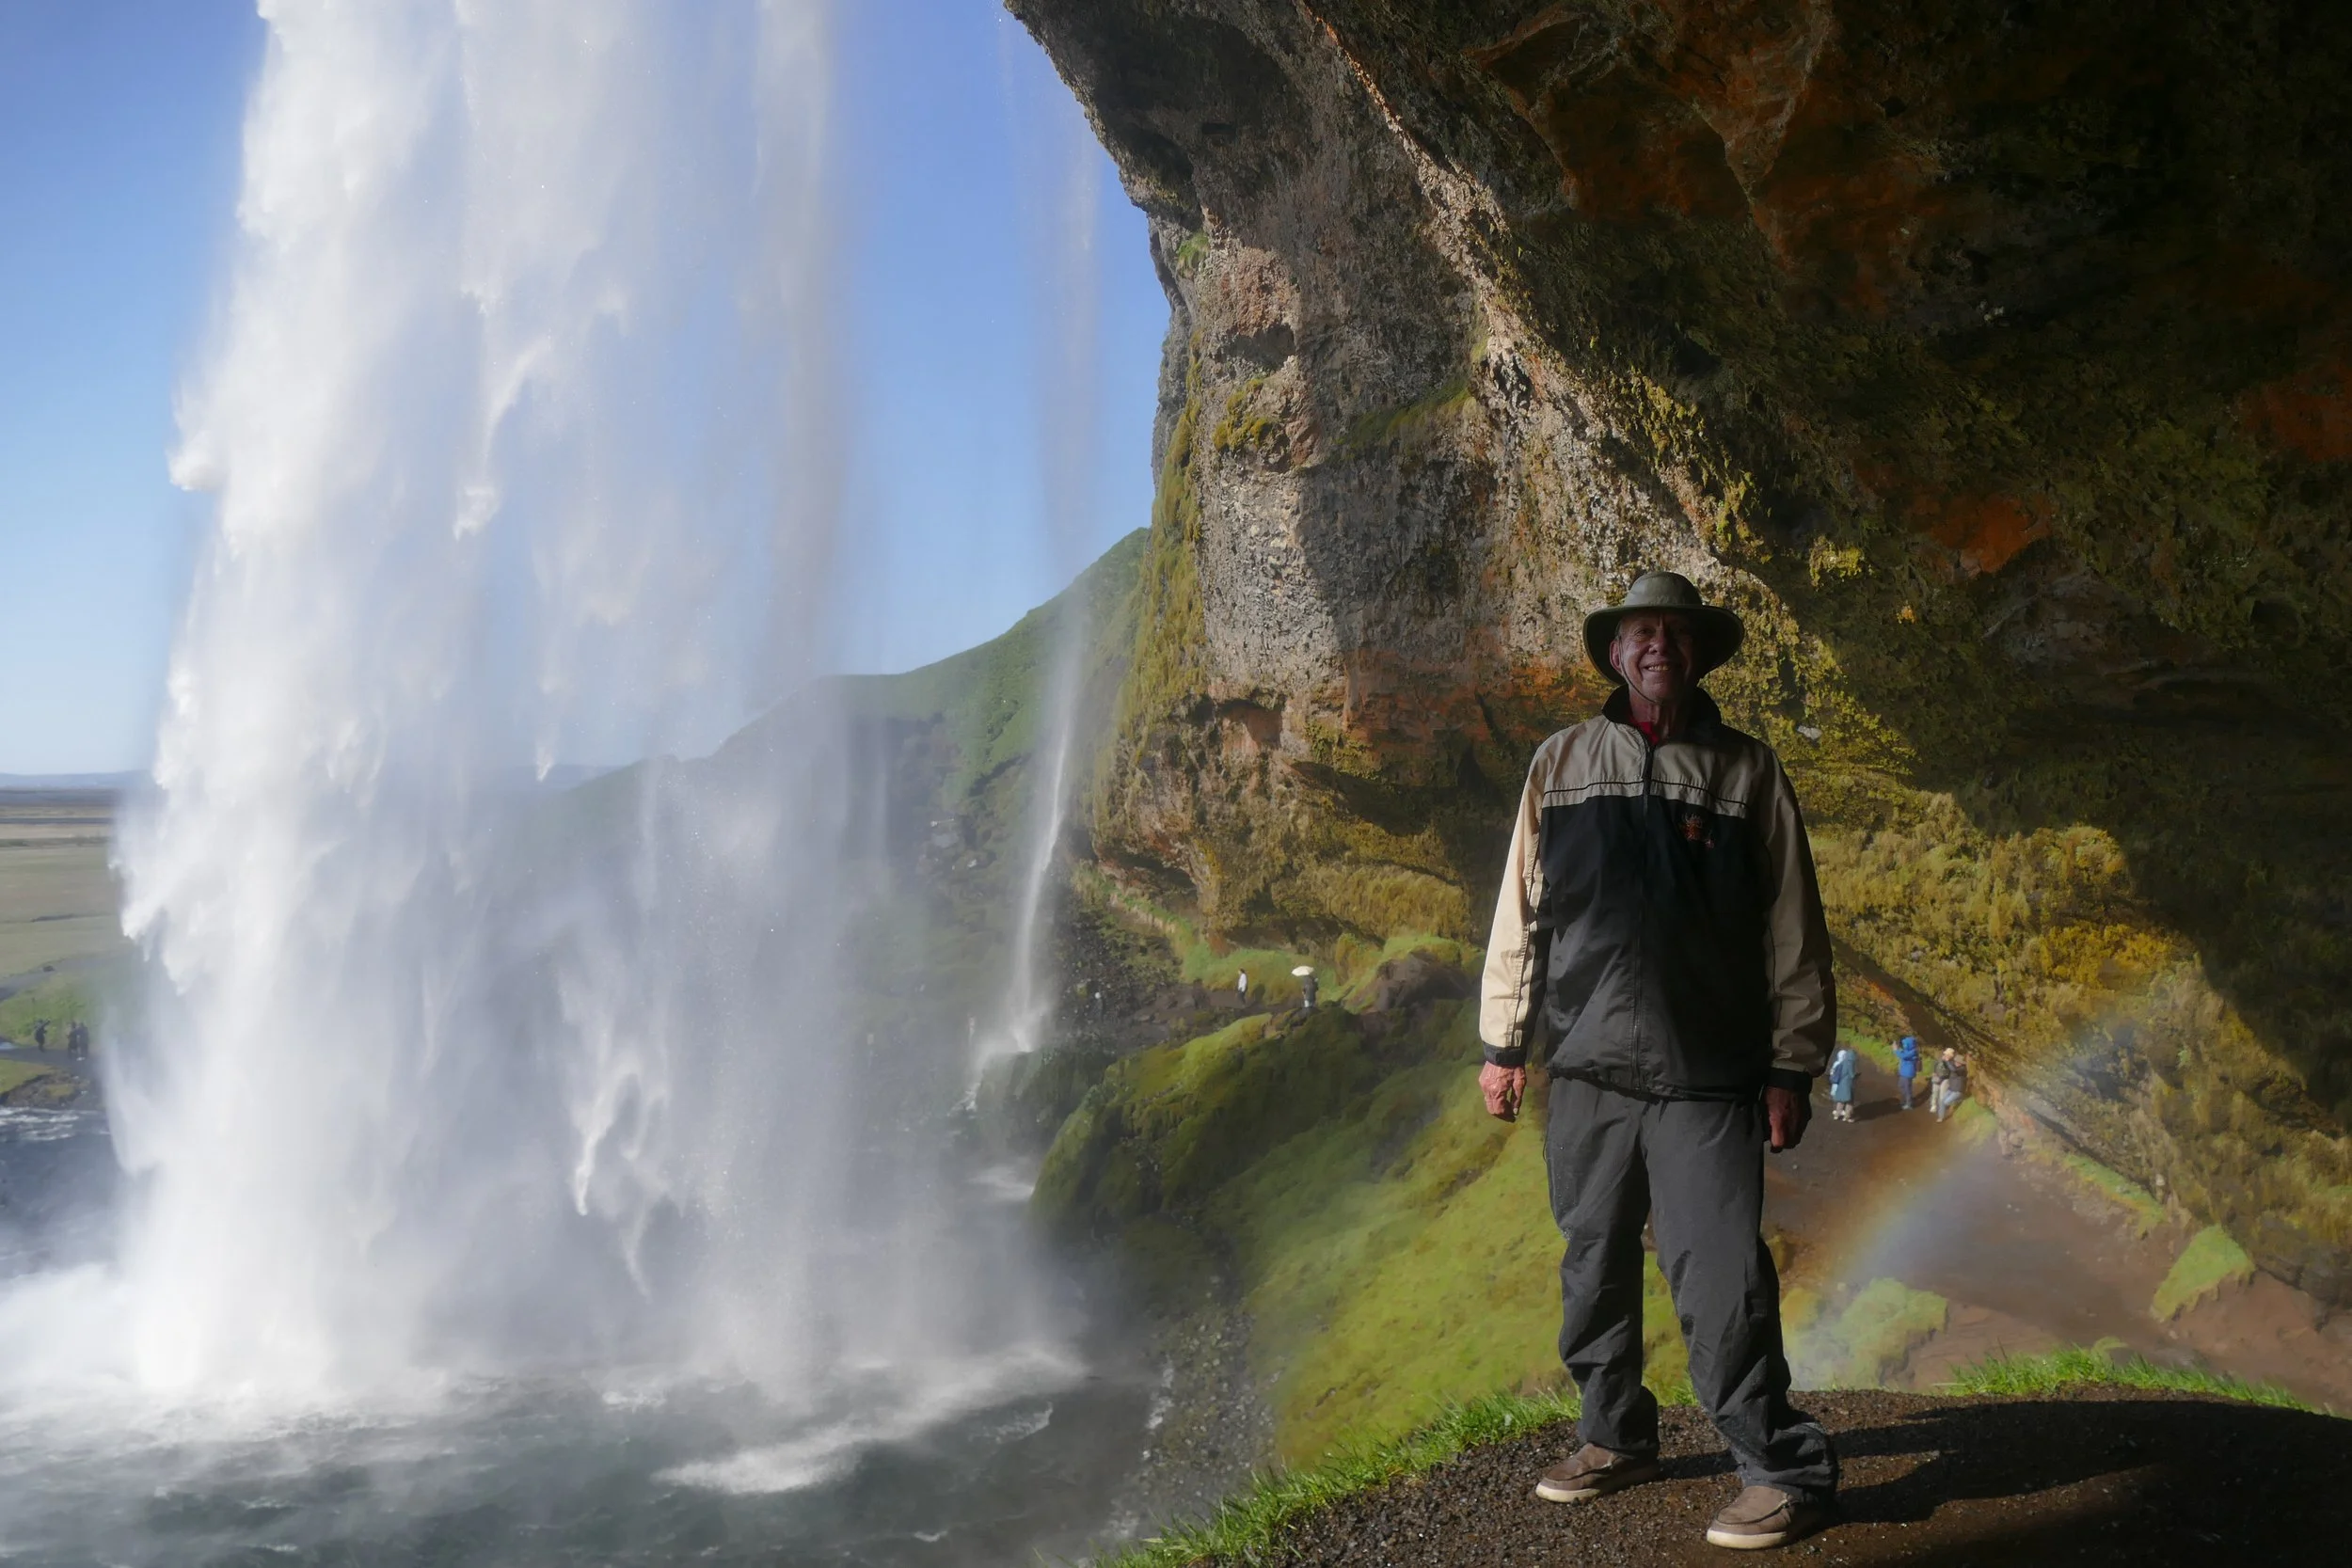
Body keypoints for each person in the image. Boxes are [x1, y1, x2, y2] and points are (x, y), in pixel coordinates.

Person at [1479, 570, 1839, 1552]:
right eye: (1640, 633)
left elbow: (1792, 930)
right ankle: (1614, 1434)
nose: (1658, 649)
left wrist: (1791, 1065)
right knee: (1591, 1262)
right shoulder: (1559, 764)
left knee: (1719, 1273)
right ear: (1612, 653)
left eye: (1676, 635)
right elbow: (1522, 908)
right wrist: (1503, 1045)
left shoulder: (1747, 772)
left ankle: (1782, 1465)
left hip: (1707, 1073)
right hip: (1587, 1067)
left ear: (1700, 654)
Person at [1932, 1048, 1968, 1121]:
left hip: (1958, 1090)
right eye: (1956, 1061)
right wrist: (1944, 1060)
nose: (1956, 1063)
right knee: (1942, 1101)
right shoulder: (1954, 1065)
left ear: (1961, 1063)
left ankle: (1959, 1099)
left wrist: (1947, 1061)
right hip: (1951, 1089)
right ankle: (1940, 1117)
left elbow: (1953, 1069)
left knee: (1945, 1102)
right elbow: (1947, 1067)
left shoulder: (1962, 1069)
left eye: (1958, 1062)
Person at [1827, 1041, 1859, 1123]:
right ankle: (1847, 1117)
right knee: (1849, 1102)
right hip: (1848, 1085)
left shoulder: (1842, 1062)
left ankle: (1837, 1115)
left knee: (1840, 1100)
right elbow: (1852, 1075)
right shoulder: (1850, 1063)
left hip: (1841, 1084)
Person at [1896, 1035, 1921, 1111]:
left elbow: (1903, 1056)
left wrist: (1895, 1050)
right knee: (1901, 1086)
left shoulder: (1913, 1052)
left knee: (1907, 1089)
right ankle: (1909, 1098)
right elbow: (1902, 1053)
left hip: (1908, 1073)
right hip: (1904, 1073)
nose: (1904, 1045)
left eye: (1905, 1044)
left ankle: (1909, 1104)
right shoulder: (1909, 1051)